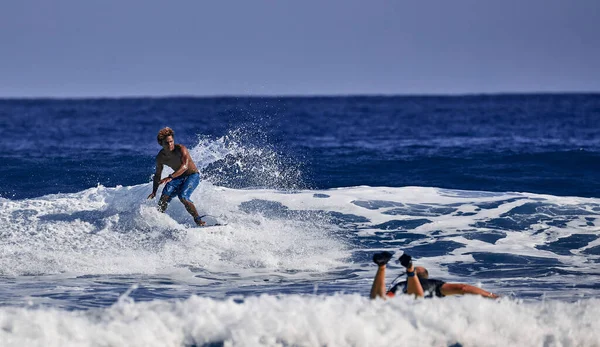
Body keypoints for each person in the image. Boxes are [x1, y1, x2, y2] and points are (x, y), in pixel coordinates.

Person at [370, 251, 499, 299]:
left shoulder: (400, 284)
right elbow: (462, 288)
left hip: (406, 290)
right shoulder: (433, 283)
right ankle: (410, 270)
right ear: (425, 276)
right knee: (417, 300)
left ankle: (382, 267)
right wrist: (492, 296)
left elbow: (384, 298)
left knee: (379, 301)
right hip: (419, 293)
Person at [147, 127, 205, 226]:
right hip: (178, 177)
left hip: (192, 175)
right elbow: (157, 175)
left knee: (183, 196)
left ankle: (198, 220)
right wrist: (154, 192)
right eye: (167, 143)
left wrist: (170, 177)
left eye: (171, 141)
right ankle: (157, 221)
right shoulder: (160, 157)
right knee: (164, 196)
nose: (170, 144)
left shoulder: (181, 149)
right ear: (161, 144)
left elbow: (185, 166)